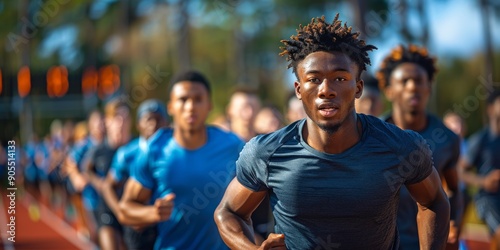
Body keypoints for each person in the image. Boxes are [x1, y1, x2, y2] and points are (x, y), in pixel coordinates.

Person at [214, 14, 450, 249]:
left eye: (339, 78)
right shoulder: (266, 152)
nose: (326, 90)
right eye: (314, 79)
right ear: (298, 89)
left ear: (358, 88)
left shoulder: (399, 146)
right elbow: (229, 212)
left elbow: (434, 202)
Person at [118, 71, 244, 249]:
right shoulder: (155, 150)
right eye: (183, 99)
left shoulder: (233, 146)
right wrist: (152, 213)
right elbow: (124, 209)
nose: (190, 107)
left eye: (198, 99)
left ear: (209, 104)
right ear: (170, 106)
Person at [377, 44, 462, 250]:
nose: (412, 87)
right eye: (404, 81)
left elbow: (454, 189)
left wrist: (454, 223)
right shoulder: (371, 136)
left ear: (428, 88)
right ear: (389, 90)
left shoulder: (447, 139)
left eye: (418, 81)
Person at [102, 99, 168, 250]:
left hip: (166, 224)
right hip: (138, 228)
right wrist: (121, 211)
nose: (153, 124)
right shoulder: (127, 153)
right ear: (139, 124)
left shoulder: (174, 152)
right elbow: (108, 186)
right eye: (148, 119)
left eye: (159, 119)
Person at [85, 98, 131, 250]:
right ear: (107, 121)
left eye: (125, 117)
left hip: (131, 210)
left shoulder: (136, 149)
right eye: (117, 117)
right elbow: (87, 168)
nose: (121, 121)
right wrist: (100, 183)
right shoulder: (99, 150)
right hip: (106, 210)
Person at [458, 90, 500, 250]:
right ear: (490, 109)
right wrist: (484, 181)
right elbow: (460, 172)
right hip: (487, 199)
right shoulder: (480, 140)